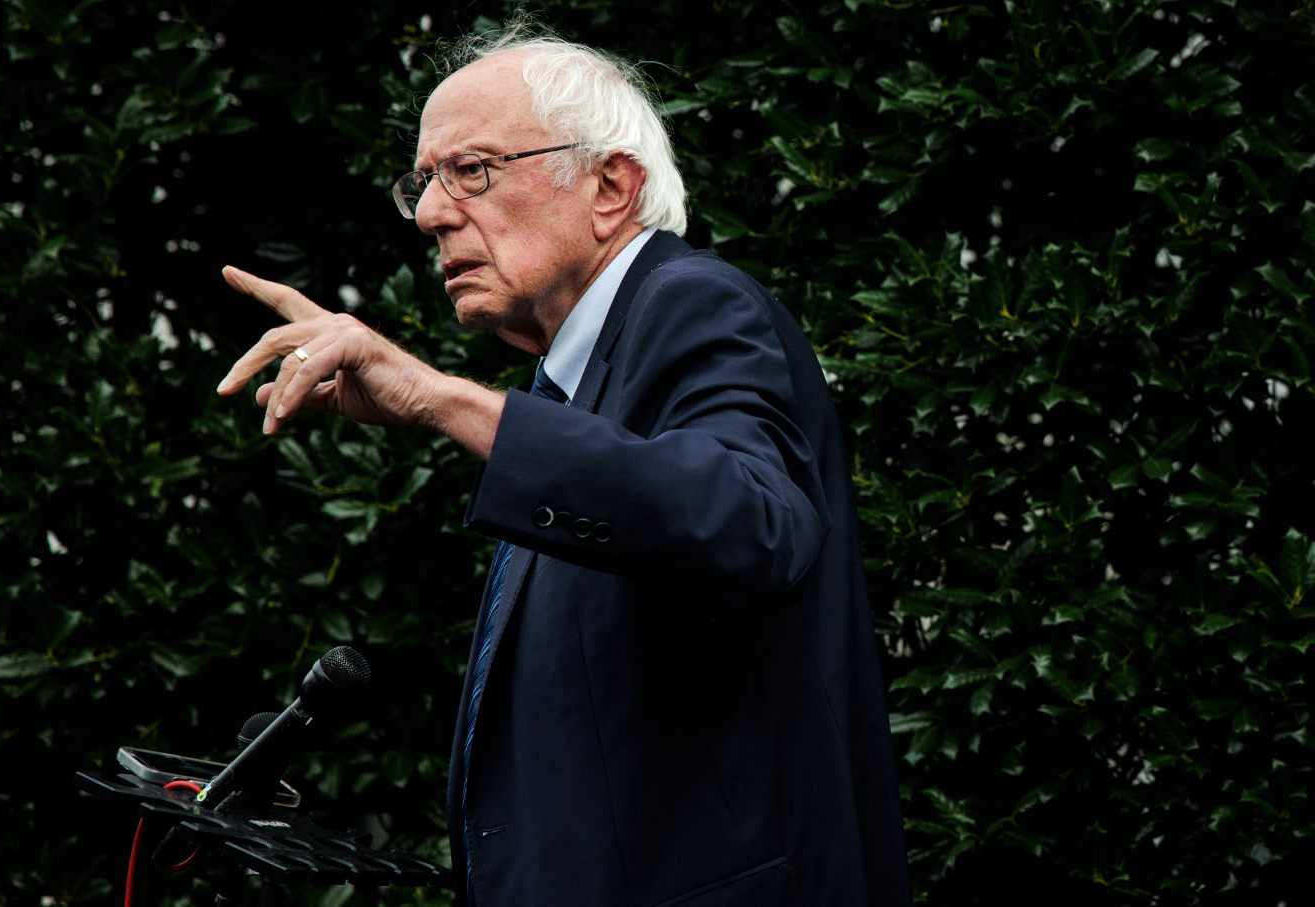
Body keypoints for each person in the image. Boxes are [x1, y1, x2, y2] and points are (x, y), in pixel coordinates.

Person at [217, 24, 911, 907]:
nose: (431, 212)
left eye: (472, 171)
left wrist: (435, 395)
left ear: (610, 188)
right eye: (424, 182)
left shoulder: (693, 302)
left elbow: (751, 521)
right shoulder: (567, 392)